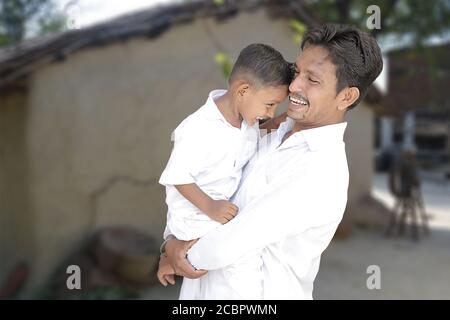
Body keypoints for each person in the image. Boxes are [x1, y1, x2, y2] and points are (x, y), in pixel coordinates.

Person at [159, 23, 383, 299]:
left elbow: (227, 246)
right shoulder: (266, 130)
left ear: (346, 96)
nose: (294, 85)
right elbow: (201, 178)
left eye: (312, 80)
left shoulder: (321, 171)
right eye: (297, 72)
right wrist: (171, 238)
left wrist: (174, 253)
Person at [157, 43, 293, 298]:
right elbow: (177, 177)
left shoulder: (245, 118)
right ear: (243, 90)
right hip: (197, 215)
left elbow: (261, 130)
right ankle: (172, 257)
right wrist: (211, 206)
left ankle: (171, 259)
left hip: (216, 213)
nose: (269, 113)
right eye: (269, 104)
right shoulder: (199, 128)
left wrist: (287, 118)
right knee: (242, 265)